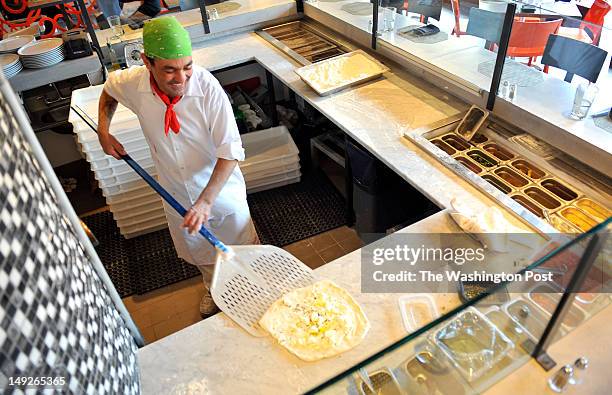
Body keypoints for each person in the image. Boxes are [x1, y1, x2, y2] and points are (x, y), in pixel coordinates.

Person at [97, 16, 259, 317]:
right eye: (169, 70)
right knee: (203, 254)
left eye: (187, 67)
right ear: (147, 62)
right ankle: (214, 289)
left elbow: (230, 151)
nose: (181, 79)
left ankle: (253, 286)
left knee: (242, 246)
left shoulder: (207, 88)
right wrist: (103, 132)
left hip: (219, 191)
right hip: (176, 193)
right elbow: (108, 91)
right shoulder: (133, 83)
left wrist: (206, 201)